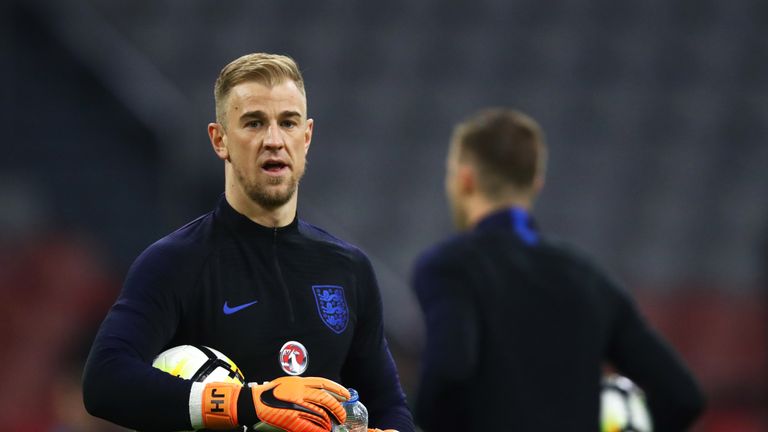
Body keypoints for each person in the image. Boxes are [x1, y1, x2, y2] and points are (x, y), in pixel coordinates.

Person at [83, 53, 413, 432]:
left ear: (305, 138)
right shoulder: (175, 261)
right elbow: (105, 381)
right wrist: (250, 403)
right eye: (254, 123)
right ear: (219, 139)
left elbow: (389, 404)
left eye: (287, 123)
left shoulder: (349, 268)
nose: (273, 140)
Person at [411, 108, 705, 431]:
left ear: (465, 179)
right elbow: (683, 396)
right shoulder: (590, 277)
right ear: (536, 183)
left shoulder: (449, 267)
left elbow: (451, 369)